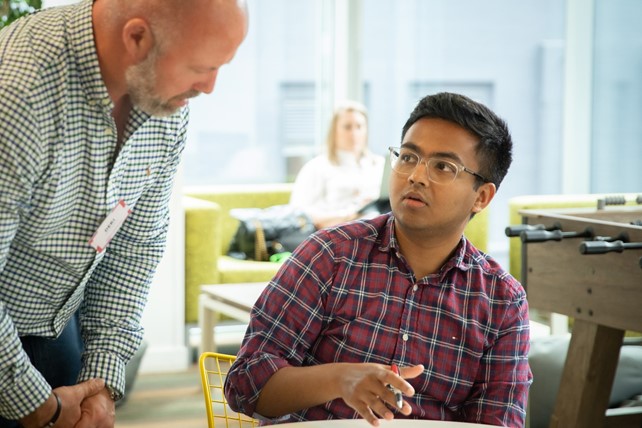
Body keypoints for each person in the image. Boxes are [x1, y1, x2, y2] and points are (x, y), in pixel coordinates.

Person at [0, 0, 247, 427]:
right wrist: (35, 402)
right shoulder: (18, 92)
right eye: (200, 67)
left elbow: (135, 250)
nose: (209, 87)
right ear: (136, 38)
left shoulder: (166, 109)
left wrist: (101, 379)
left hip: (60, 322)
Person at [225, 92, 532, 427]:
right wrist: (340, 380)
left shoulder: (502, 301)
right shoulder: (330, 255)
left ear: (482, 197)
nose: (416, 176)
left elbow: (498, 421)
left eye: (443, 166)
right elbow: (244, 383)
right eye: (409, 157)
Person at [289, 100, 385, 229]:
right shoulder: (316, 167)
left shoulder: (379, 165)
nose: (354, 133)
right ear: (334, 131)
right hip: (335, 236)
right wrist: (350, 215)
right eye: (347, 127)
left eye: (359, 126)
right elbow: (299, 216)